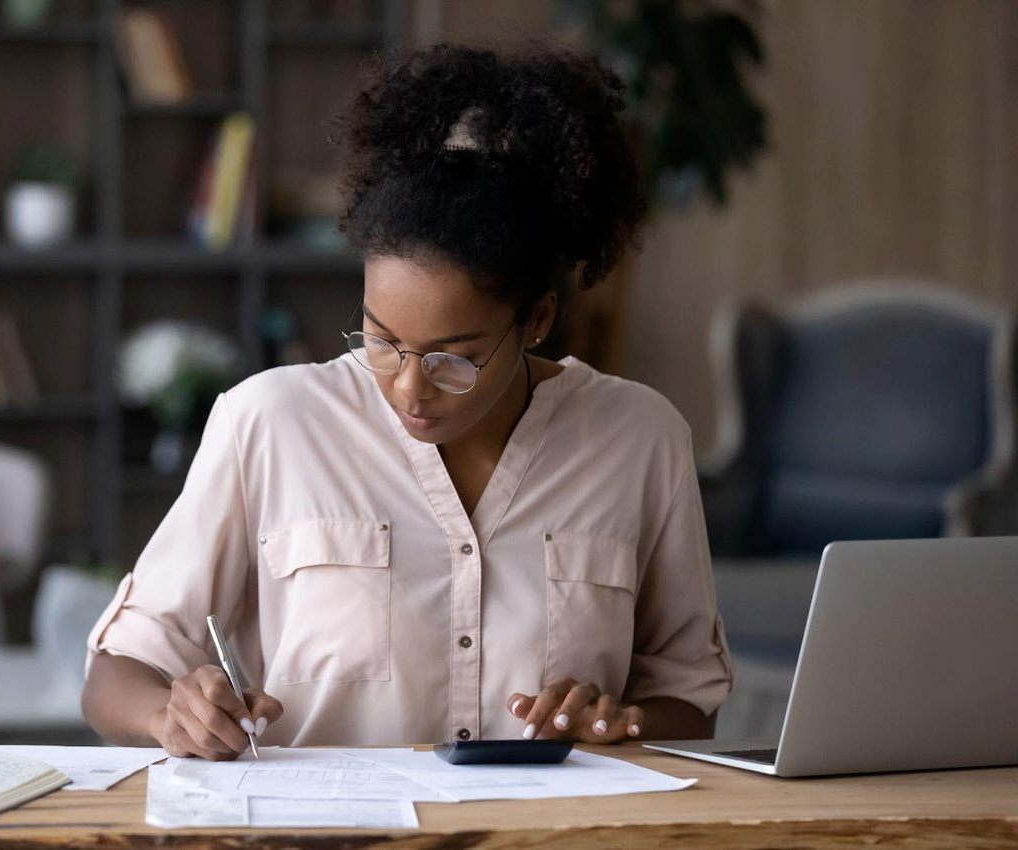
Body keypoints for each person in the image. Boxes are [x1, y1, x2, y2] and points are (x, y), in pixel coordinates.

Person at [82, 42, 734, 761]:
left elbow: (690, 701)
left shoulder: (640, 439)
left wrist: (616, 723)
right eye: (383, 339)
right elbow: (116, 673)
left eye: (453, 357)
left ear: (538, 320)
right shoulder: (267, 422)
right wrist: (170, 714)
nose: (408, 387)